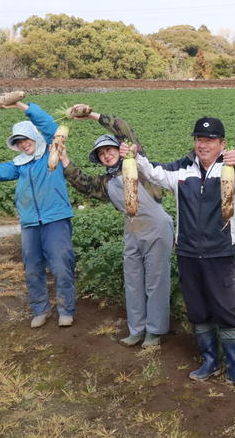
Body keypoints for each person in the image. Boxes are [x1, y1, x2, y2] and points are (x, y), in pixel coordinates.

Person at [131, 117, 235, 392]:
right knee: (198, 309)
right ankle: (210, 360)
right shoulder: (181, 170)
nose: (203, 144)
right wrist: (134, 155)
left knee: (226, 309)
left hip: (220, 252)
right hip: (188, 252)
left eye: (210, 140)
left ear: (222, 144)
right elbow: (152, 172)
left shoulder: (229, 170)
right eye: (199, 139)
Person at [59, 107, 174, 348]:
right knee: (132, 281)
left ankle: (154, 331)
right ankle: (136, 329)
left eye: (109, 150)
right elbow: (85, 184)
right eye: (101, 154)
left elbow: (123, 129)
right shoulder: (106, 181)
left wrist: (92, 116)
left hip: (156, 227)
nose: (106, 155)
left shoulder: (137, 165)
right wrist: (64, 160)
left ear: (118, 149)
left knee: (155, 281)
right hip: (132, 230)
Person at [0, 100, 75, 328]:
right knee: (32, 267)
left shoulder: (52, 153)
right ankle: (40, 309)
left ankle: (66, 309)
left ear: (36, 137)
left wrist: (21, 106)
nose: (23, 145)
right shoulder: (19, 165)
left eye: (26, 139)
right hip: (30, 222)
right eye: (19, 142)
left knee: (61, 265)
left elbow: (49, 126)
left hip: (56, 219)